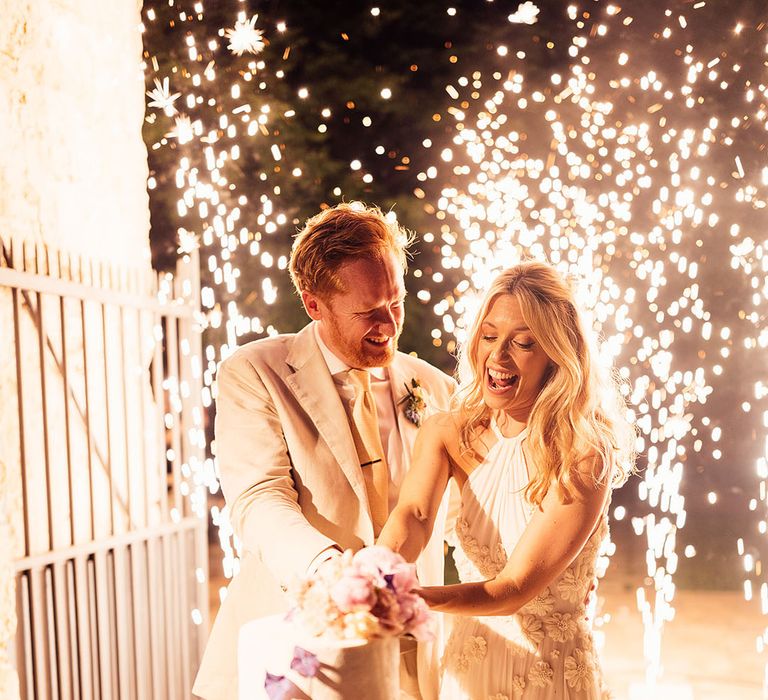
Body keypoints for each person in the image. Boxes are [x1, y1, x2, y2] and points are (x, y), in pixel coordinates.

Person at [193, 202, 457, 700]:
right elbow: (258, 500)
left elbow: (468, 512)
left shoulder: (433, 387)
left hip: (414, 659)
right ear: (314, 305)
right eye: (368, 311)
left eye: (395, 302)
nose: (388, 324)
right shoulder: (255, 373)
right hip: (300, 651)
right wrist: (333, 574)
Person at [378, 261, 635, 699]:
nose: (497, 357)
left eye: (523, 343)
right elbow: (415, 514)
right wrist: (377, 574)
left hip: (550, 674)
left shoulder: (583, 454)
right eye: (489, 336)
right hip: (467, 667)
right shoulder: (446, 431)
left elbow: (514, 589)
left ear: (557, 352)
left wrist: (414, 599)